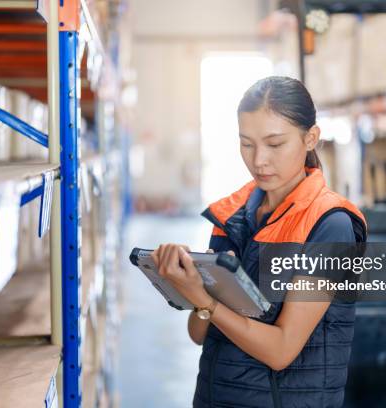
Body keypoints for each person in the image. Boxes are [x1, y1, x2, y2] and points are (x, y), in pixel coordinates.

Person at [151, 76, 367, 408]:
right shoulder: (233, 217)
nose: (258, 160)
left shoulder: (331, 225)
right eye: (246, 143)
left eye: (275, 143)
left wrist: (206, 301)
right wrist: (193, 285)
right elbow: (198, 334)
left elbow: (281, 351)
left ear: (311, 138)